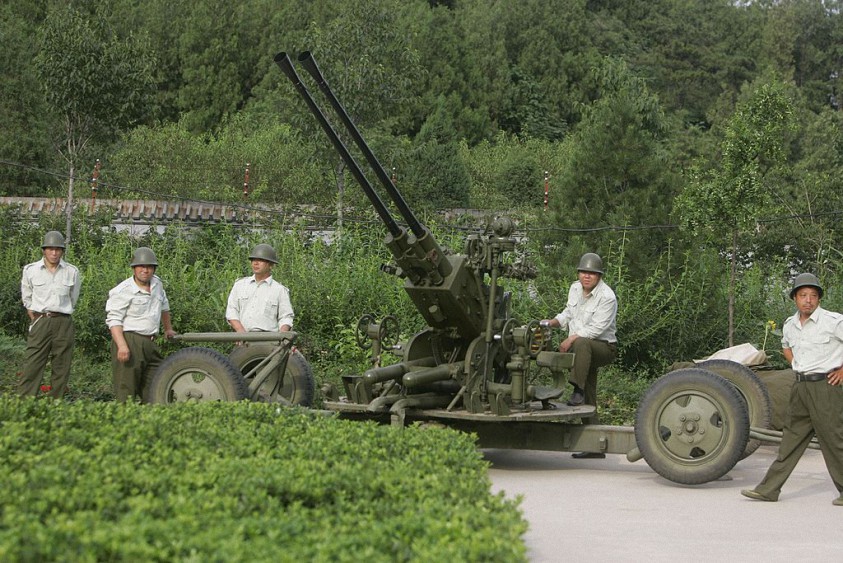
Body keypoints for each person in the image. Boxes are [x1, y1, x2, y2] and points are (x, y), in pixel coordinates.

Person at [741, 273, 843, 506]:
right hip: (801, 388)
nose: (808, 300)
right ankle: (769, 490)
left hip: (826, 388)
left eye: (813, 296)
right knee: (790, 440)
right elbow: (786, 347)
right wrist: (797, 365)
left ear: (819, 299)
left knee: (834, 441)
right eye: (803, 295)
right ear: (795, 298)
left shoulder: (833, 322)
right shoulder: (790, 324)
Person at [542, 252, 618, 459]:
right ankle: (595, 444)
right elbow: (567, 314)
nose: (587, 276)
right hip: (583, 348)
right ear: (578, 273)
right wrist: (551, 323)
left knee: (583, 342)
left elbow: (595, 330)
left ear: (599, 276)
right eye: (584, 272)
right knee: (590, 391)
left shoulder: (607, 297)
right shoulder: (575, 289)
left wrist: (570, 339)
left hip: (604, 347)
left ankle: (576, 389)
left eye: (592, 273)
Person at [105, 247, 176, 402]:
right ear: (134, 268)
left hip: (151, 341)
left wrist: (168, 328)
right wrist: (122, 345)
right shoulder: (123, 290)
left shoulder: (157, 284)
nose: (145, 270)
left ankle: (149, 422)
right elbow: (114, 320)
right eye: (141, 266)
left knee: (156, 384)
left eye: (149, 267)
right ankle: (125, 421)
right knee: (126, 388)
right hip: (130, 340)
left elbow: (164, 306)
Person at [18, 231, 81, 398]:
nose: (54, 253)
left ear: (62, 251)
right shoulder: (31, 270)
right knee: (33, 363)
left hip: (63, 322)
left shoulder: (71, 272)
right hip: (41, 320)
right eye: (50, 249)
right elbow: (27, 296)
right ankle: (24, 403)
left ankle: (56, 404)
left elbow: (73, 298)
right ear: (43, 250)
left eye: (57, 249)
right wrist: (36, 317)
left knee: (62, 365)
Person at [225, 243, 294, 334]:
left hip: (270, 340)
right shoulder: (240, 285)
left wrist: (282, 336)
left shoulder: (279, 290)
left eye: (261, 260)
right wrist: (240, 331)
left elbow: (286, 317)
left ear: (270, 265)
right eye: (253, 260)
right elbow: (232, 311)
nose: (255, 263)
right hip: (243, 339)